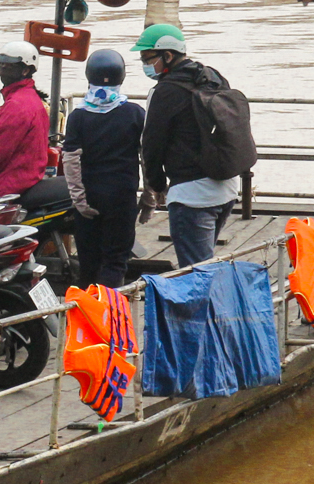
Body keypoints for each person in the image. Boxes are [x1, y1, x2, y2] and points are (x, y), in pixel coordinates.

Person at [136, 23, 239, 269]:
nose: (145, 64)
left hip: (193, 197)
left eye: (147, 58)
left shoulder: (164, 91)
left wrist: (158, 186)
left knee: (196, 274)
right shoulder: (212, 77)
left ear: (168, 55)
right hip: (226, 189)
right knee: (205, 266)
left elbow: (151, 144)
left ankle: (205, 309)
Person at [61, 48, 144, 288]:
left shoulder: (78, 116)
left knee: (88, 261)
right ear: (122, 77)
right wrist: (149, 196)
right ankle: (110, 312)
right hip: (122, 195)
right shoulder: (135, 113)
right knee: (116, 260)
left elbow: (71, 159)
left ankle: (88, 314)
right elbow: (147, 157)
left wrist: (79, 200)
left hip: (90, 196)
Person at [0, 40, 53, 195]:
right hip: (28, 177)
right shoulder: (30, 98)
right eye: (1, 64)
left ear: (26, 70)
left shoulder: (17, 106)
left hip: (9, 183)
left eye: (9, 65)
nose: (3, 69)